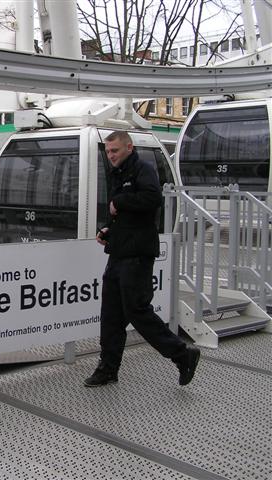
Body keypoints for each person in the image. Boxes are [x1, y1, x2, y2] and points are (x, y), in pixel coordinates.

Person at [84, 130, 200, 387]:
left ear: (129, 147)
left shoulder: (143, 168)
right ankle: (108, 369)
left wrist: (121, 202)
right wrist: (107, 230)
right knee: (111, 315)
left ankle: (183, 355)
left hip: (137, 256)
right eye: (108, 151)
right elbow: (121, 215)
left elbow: (151, 198)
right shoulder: (117, 173)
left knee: (138, 312)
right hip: (118, 253)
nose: (110, 155)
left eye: (114, 150)